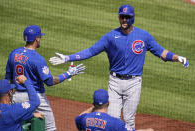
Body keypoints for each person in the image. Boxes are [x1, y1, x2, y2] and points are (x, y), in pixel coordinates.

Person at [49, 4, 189, 130]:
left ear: (133, 18)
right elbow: (90, 51)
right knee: (113, 119)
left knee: (129, 120)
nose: (124, 20)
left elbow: (161, 52)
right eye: (122, 17)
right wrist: (68, 58)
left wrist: (177, 58)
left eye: (127, 17)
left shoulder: (143, 36)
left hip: (134, 83)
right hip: (115, 82)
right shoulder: (111, 36)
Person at [5, 25, 86, 131]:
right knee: (50, 128)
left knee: (19, 127)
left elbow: (8, 78)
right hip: (35, 98)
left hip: (16, 97)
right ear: (36, 39)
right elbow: (49, 81)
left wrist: (10, 95)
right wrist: (68, 74)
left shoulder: (13, 53)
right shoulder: (37, 59)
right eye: (40, 37)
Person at [75, 89, 154, 131]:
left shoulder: (84, 119)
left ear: (93, 104)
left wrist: (93, 108)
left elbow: (78, 118)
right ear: (108, 103)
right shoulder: (115, 122)